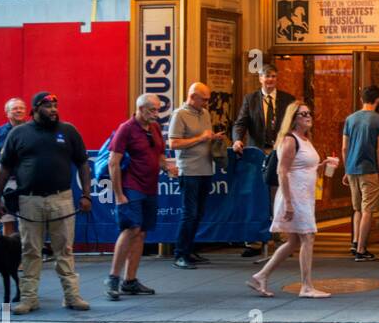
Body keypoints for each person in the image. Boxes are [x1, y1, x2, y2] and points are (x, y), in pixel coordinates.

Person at [0, 92, 92, 313]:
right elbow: (5, 167)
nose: (54, 109)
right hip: (29, 200)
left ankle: (71, 296)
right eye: (48, 106)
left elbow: (83, 163)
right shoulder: (19, 134)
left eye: (56, 105)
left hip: (62, 199)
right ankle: (29, 299)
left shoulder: (68, 131)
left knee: (64, 250)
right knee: (30, 250)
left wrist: (87, 194)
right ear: (35, 109)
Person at [247, 102, 339, 298]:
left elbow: (304, 167)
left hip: (304, 196)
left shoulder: (304, 139)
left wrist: (322, 165)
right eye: (302, 114)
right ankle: (306, 286)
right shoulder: (290, 140)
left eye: (308, 113)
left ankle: (261, 276)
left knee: (294, 241)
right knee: (308, 237)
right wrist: (288, 202)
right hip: (295, 196)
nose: (308, 116)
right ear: (294, 118)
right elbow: (282, 171)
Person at [104, 94, 170, 300]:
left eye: (158, 110)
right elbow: (113, 162)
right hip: (132, 186)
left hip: (150, 187)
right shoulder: (126, 129)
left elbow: (159, 154)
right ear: (140, 109)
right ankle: (112, 278)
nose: (156, 114)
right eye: (152, 110)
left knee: (141, 232)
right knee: (131, 228)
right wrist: (119, 194)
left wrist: (168, 168)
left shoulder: (155, 128)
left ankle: (130, 281)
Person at [232, 64, 296, 257]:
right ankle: (254, 241)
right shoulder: (250, 99)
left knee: (279, 196)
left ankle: (281, 239)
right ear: (260, 78)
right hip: (257, 154)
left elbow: (294, 124)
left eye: (274, 77)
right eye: (267, 77)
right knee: (256, 196)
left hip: (280, 153)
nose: (270, 80)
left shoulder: (287, 99)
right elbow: (240, 123)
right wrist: (237, 140)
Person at [168, 83, 221, 269]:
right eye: (204, 99)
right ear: (192, 96)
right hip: (189, 170)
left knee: (198, 213)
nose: (207, 103)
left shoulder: (204, 114)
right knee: (189, 213)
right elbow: (173, 144)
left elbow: (206, 136)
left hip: (206, 168)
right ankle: (180, 254)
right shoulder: (179, 114)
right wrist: (201, 138)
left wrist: (213, 138)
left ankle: (189, 250)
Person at [342, 85, 379, 262]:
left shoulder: (350, 119)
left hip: (352, 169)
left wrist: (347, 169)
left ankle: (355, 242)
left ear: (361, 99)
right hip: (369, 169)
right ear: (378, 99)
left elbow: (344, 147)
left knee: (357, 209)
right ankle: (362, 249)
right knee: (368, 209)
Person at [0, 98, 27, 237]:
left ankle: (26, 256)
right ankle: (10, 257)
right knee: (7, 220)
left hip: (27, 183)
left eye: (21, 108)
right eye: (15, 108)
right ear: (7, 113)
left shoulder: (32, 130)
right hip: (5, 183)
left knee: (27, 222)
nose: (18, 110)